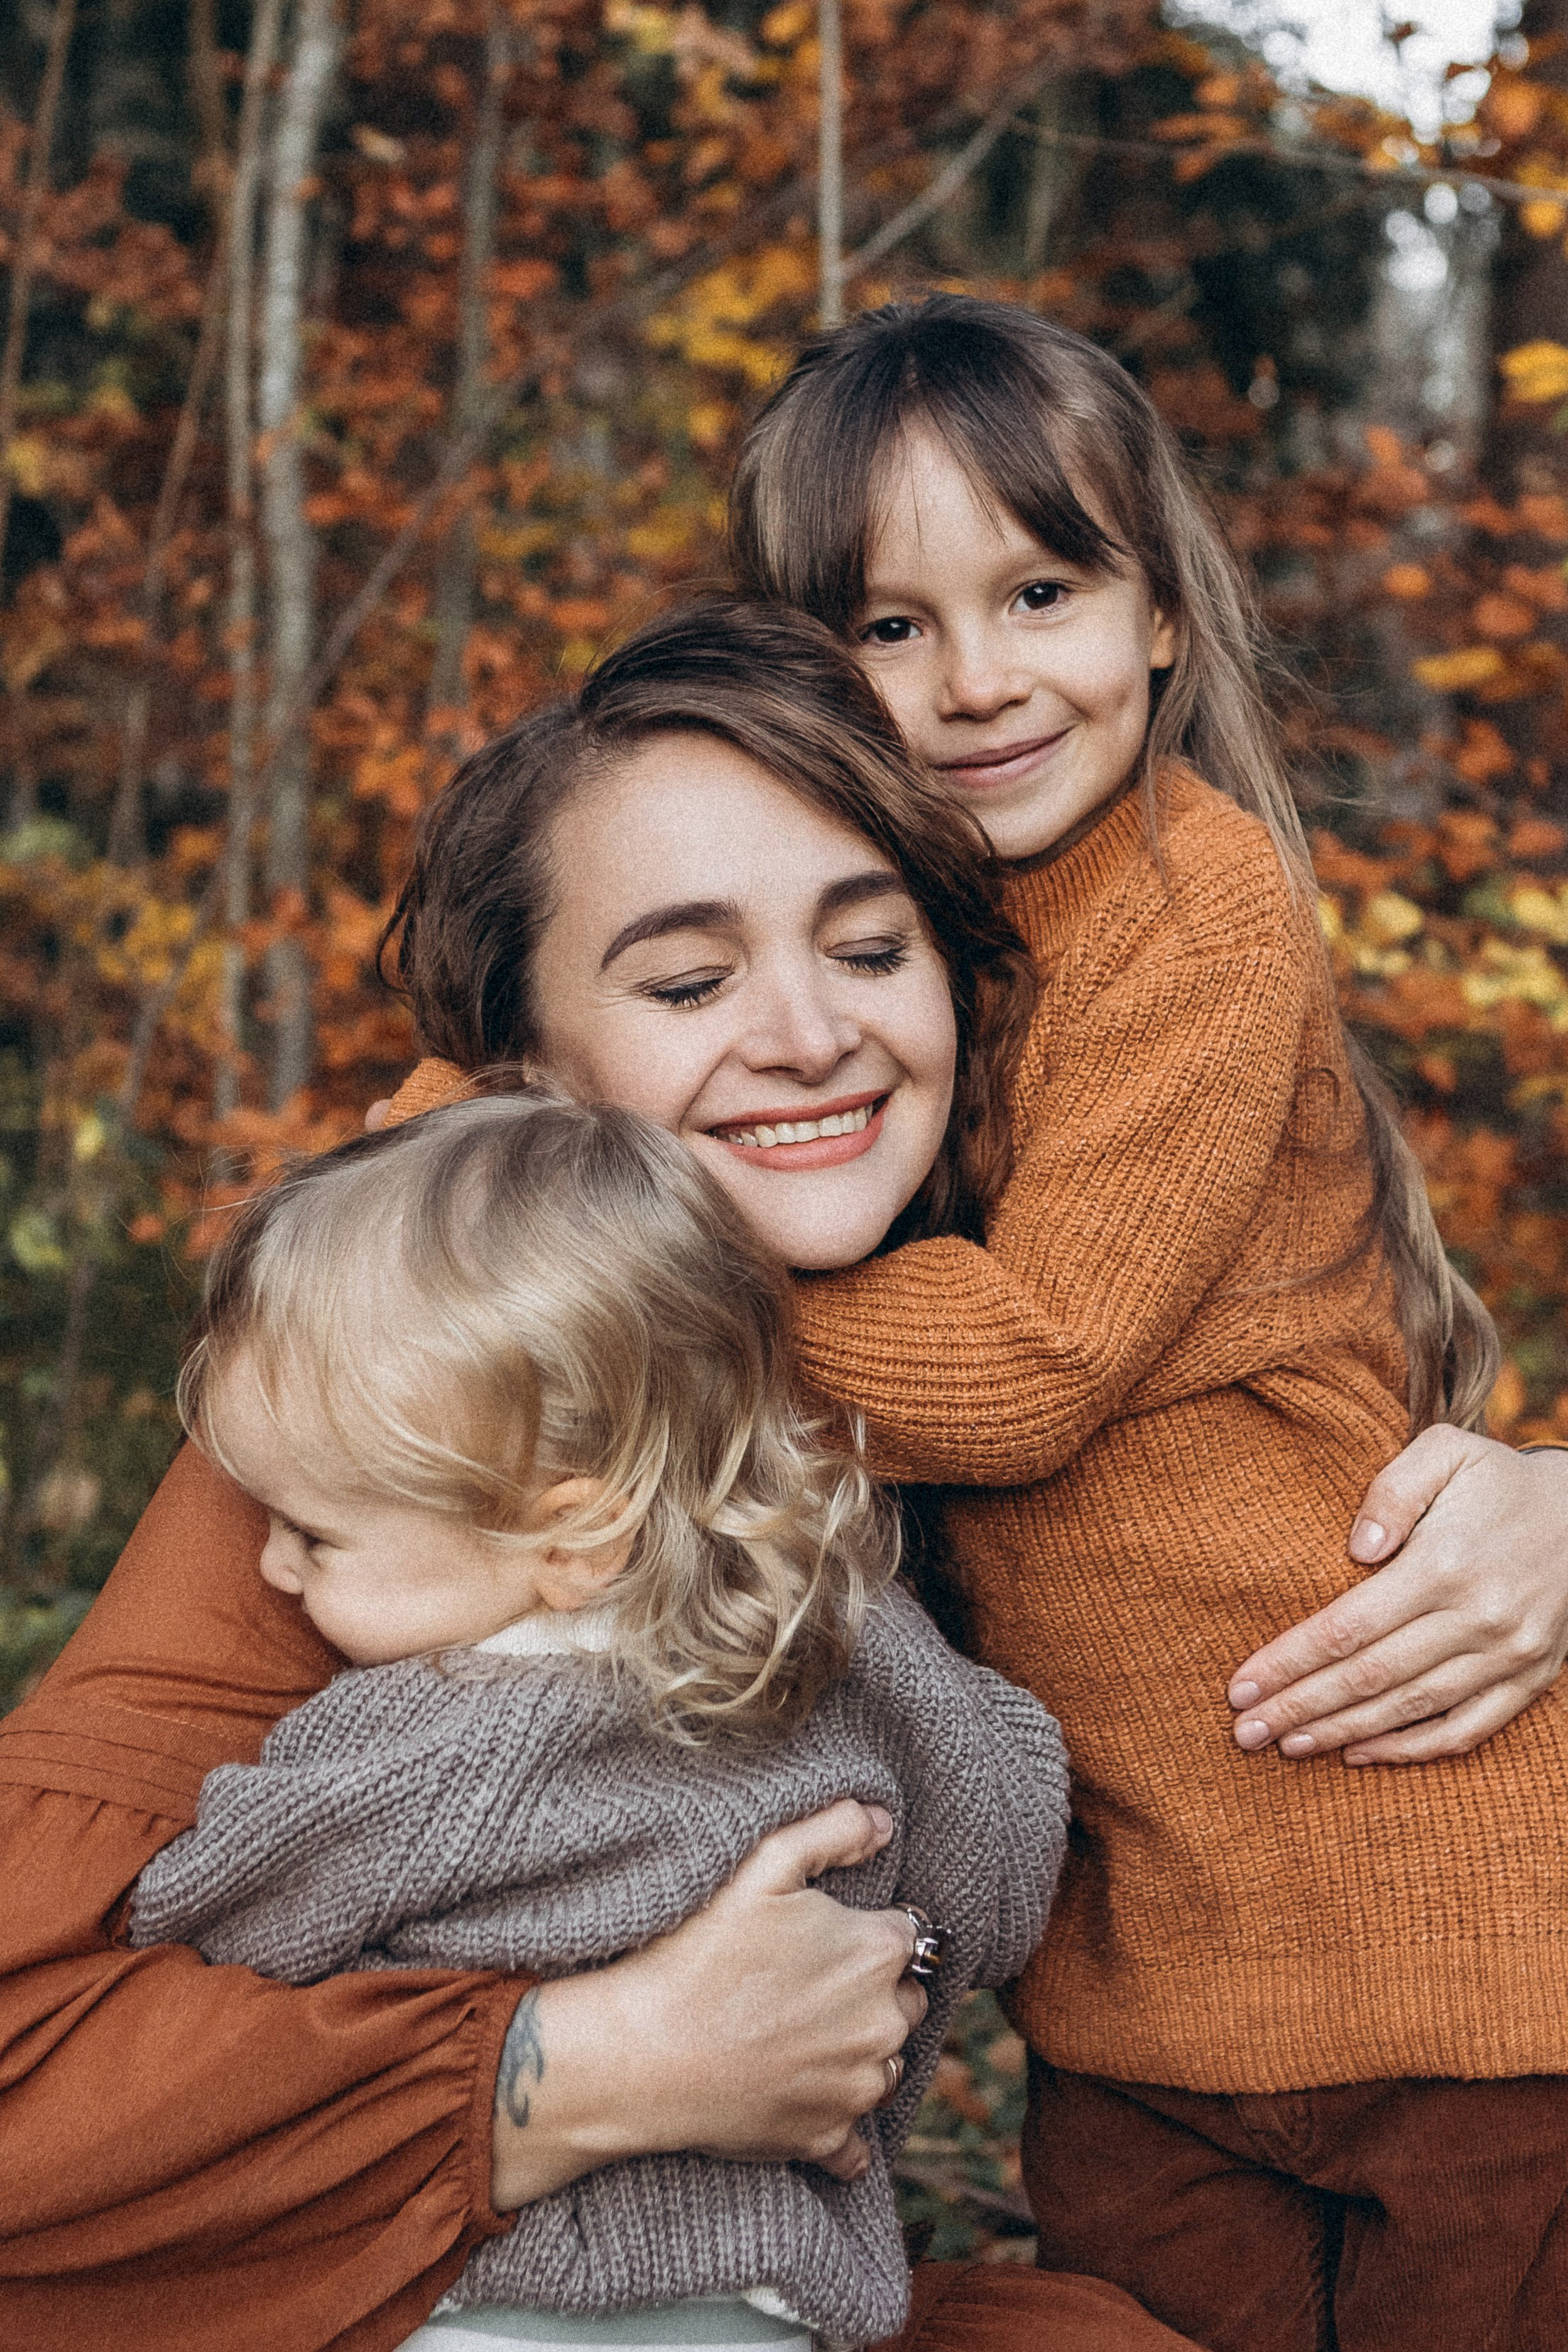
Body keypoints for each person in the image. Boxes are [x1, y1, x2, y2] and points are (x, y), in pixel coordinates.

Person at [0, 604, 1204, 2352]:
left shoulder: (1046, 1290)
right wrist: (592, 2065)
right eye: (689, 984)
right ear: (528, 1080)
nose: (811, 1035)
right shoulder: (385, 1397)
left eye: (872, 950)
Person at [709, 294, 1568, 2352]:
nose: (977, 681)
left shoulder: (1192, 892)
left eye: (1042, 592)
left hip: (1458, 1944)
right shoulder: (876, 942)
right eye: (890, 625)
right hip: (1141, 1995)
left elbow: (1032, 1364)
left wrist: (632, 1296)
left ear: (1162, 612)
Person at [127, 1084, 1071, 2349]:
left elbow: (201, 1941)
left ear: (572, 1538)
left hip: (490, 2297)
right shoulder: (859, 1652)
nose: (274, 1570)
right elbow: (1006, 1853)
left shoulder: (426, 1749)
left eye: (316, 1534)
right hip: (762, 2301)